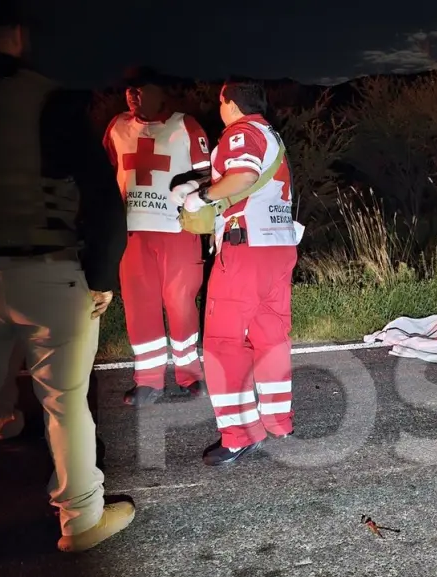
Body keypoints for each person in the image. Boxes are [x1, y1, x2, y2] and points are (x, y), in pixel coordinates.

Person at [0, 0, 135, 565]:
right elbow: (104, 202)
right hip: (50, 273)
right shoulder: (49, 97)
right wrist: (100, 278)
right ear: (17, 32)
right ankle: (81, 518)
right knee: (66, 403)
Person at [173, 78, 303, 466]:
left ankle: (240, 435)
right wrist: (201, 184)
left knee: (223, 342)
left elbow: (243, 177)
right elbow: (252, 179)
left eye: (220, 101)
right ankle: (279, 421)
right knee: (271, 338)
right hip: (278, 249)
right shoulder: (270, 135)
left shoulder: (239, 132)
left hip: (245, 250)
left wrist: (201, 197)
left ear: (229, 103)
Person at [103, 66, 211, 406]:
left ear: (161, 91)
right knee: (139, 307)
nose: (133, 95)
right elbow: (104, 174)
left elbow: (210, 174)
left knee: (180, 304)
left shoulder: (186, 125)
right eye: (128, 89)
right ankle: (148, 380)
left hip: (177, 231)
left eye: (141, 88)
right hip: (133, 234)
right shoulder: (117, 127)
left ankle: (189, 373)